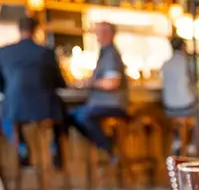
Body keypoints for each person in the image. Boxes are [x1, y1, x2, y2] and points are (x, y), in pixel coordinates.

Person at [0, 16, 67, 165]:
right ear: (36, 30)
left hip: (15, 108)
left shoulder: (3, 52)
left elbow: (1, 85)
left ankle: (22, 146)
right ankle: (54, 145)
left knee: (4, 116)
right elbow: (60, 82)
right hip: (46, 109)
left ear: (19, 29)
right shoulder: (46, 52)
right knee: (62, 112)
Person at [66, 22, 128, 154]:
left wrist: (89, 83)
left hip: (113, 104)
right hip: (101, 103)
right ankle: (103, 149)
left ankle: (110, 148)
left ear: (108, 34)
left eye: (98, 32)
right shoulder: (104, 53)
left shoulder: (110, 54)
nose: (96, 36)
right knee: (71, 115)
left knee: (82, 116)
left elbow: (112, 83)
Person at [161, 36, 197, 155]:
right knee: (198, 114)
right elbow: (193, 81)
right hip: (185, 107)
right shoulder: (188, 62)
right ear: (183, 47)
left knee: (177, 121)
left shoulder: (165, 64)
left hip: (169, 107)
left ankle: (177, 140)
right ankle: (190, 145)